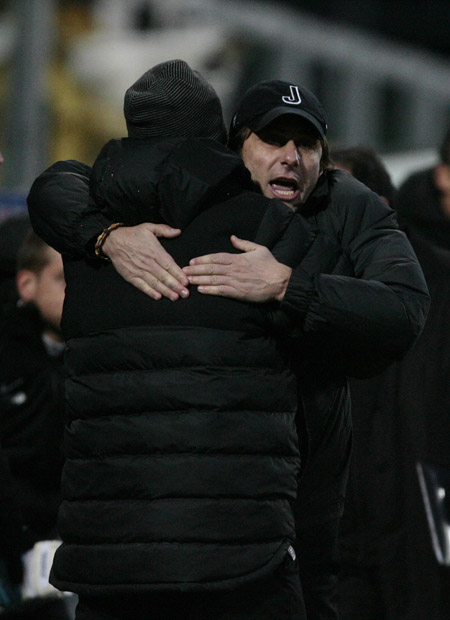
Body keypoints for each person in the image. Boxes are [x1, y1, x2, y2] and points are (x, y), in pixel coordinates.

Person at [27, 74, 430, 620]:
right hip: (236, 518)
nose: (291, 157)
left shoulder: (346, 206)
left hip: (310, 487)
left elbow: (403, 308)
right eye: (272, 139)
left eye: (306, 144)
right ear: (231, 146)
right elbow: (58, 183)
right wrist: (106, 236)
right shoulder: (179, 206)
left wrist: (288, 285)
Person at [0, 230, 71, 618]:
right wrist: (24, 546)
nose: (77, 291)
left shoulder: (98, 355)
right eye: (63, 278)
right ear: (27, 283)